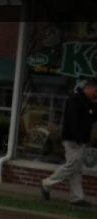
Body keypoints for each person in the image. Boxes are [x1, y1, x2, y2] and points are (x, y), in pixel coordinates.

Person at [41, 78, 97, 207]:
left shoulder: (89, 103)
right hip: (72, 139)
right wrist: (77, 136)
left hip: (81, 140)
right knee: (73, 164)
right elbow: (72, 119)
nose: (96, 94)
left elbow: (92, 119)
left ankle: (77, 198)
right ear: (88, 88)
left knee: (76, 169)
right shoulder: (75, 99)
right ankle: (47, 183)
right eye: (96, 91)